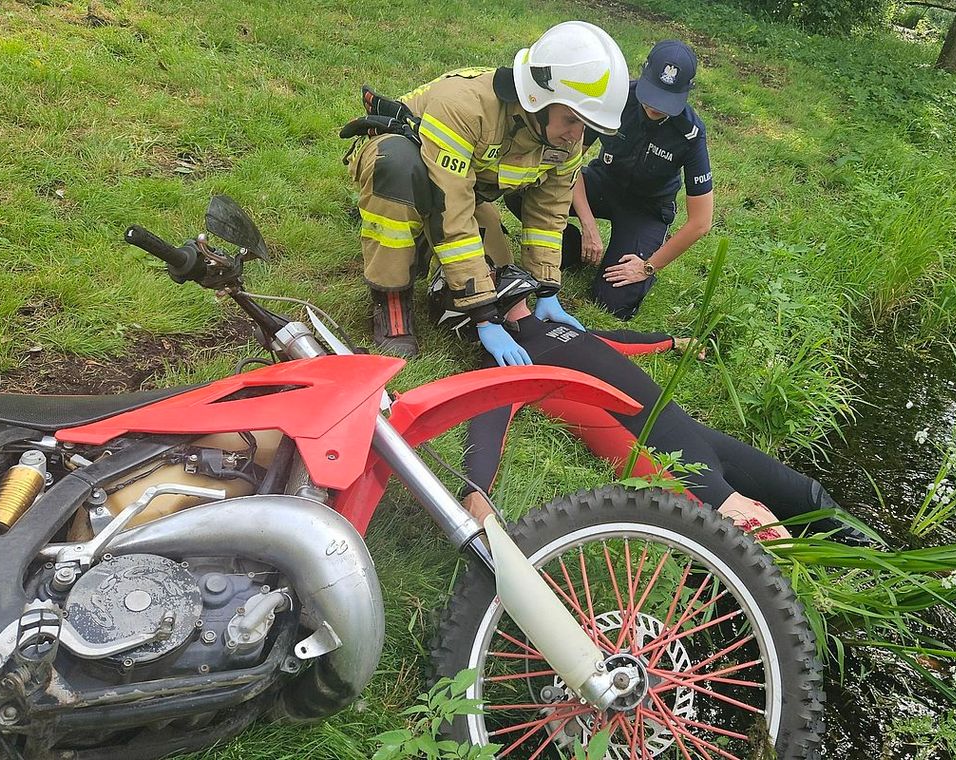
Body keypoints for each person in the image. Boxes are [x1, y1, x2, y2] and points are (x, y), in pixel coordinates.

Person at [430, 265, 869, 543]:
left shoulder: (556, 330)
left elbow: (616, 343)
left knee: (810, 497)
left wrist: (672, 342)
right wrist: (476, 491)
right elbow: (487, 417)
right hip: (670, 464)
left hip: (694, 436)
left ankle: (884, 562)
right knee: (770, 543)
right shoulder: (510, 361)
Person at [341, 21, 630, 360]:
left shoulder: (565, 136)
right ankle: (391, 303)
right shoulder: (466, 107)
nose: (575, 134)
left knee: (502, 285)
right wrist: (482, 315)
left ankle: (420, 248)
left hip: (465, 188)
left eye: (585, 124)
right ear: (538, 100)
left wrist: (546, 289)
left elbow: (550, 213)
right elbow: (450, 206)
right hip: (406, 170)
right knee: (398, 167)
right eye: (570, 120)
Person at [507, 39, 714, 320]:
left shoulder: (690, 134)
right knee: (522, 190)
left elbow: (700, 222)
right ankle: (567, 245)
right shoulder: (615, 99)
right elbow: (571, 161)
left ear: (686, 93)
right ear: (644, 72)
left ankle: (632, 256)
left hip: (646, 209)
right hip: (601, 184)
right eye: (652, 93)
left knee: (612, 300)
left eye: (667, 100)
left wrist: (647, 266)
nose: (655, 106)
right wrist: (589, 225)